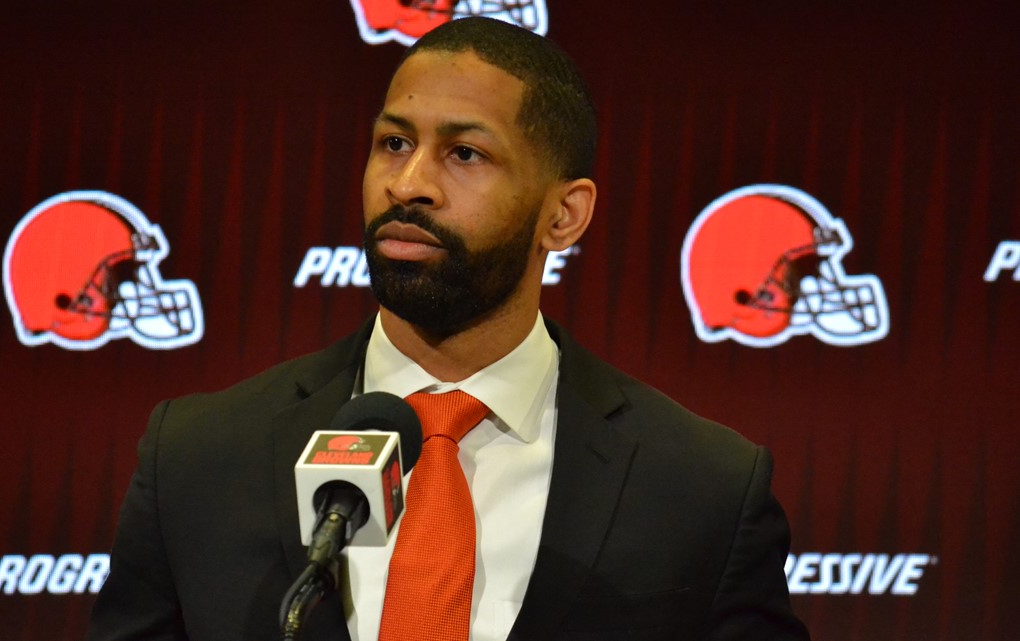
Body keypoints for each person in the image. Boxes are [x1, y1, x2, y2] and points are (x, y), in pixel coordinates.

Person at [88, 16, 809, 641]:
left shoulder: (703, 488)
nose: (408, 184)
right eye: (394, 144)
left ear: (565, 215)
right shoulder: (196, 458)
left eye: (465, 153)